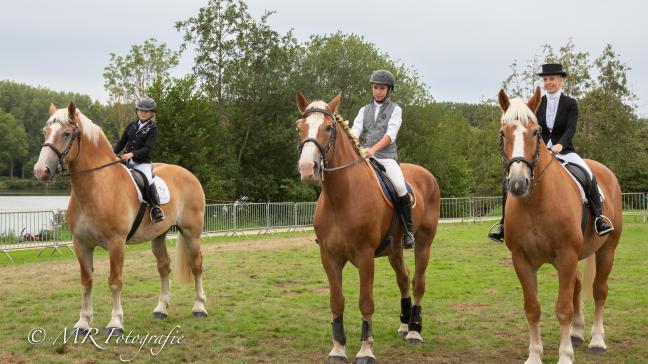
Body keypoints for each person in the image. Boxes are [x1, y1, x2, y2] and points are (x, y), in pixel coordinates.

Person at [488, 63, 614, 242]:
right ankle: (503, 223)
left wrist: (561, 144)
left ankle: (599, 218)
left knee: (587, 175)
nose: (548, 82)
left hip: (565, 151)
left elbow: (571, 128)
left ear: (561, 80)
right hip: (540, 152)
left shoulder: (570, 103)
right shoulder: (536, 104)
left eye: (552, 79)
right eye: (545, 79)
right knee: (507, 182)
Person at [351, 69, 415, 249]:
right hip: (364, 156)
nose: (378, 91)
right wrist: (355, 145)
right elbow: (355, 132)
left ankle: (408, 231)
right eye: (375, 87)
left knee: (401, 187)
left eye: (382, 88)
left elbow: (390, 135)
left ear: (389, 90)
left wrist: (372, 150)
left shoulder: (396, 109)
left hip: (386, 158)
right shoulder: (364, 110)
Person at [113, 97, 165, 223]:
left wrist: (132, 154)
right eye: (140, 110)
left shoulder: (152, 128)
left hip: (143, 163)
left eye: (146, 111)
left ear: (152, 113)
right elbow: (121, 143)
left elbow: (148, 148)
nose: (143, 113)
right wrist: (111, 154)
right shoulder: (131, 125)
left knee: (147, 179)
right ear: (137, 111)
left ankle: (155, 208)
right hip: (126, 162)